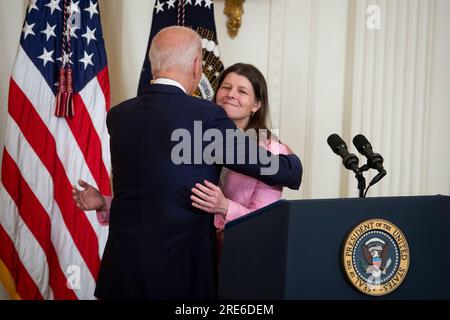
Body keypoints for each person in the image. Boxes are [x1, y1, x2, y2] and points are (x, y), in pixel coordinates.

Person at [72, 26, 302, 300]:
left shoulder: (120, 115)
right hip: (179, 276)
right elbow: (279, 170)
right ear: (197, 66)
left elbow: (153, 191)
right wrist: (292, 163)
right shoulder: (205, 116)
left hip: (122, 273)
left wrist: (104, 202)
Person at [189, 63, 291, 264]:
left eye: (242, 91)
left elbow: (264, 220)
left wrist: (224, 206)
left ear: (256, 105)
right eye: (226, 87)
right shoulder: (193, 138)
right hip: (192, 252)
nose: (230, 94)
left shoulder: (271, 151)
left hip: (238, 257)